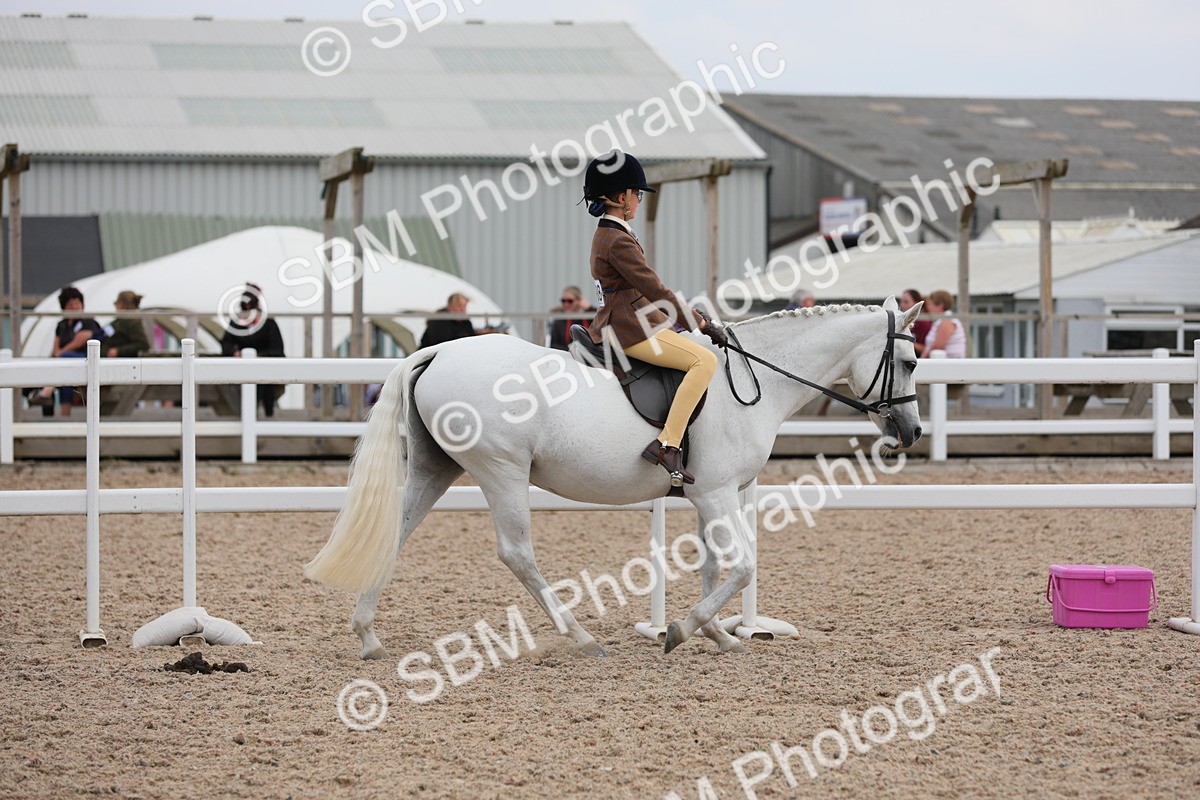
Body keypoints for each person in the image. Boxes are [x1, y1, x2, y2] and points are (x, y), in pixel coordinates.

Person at [583, 149, 725, 485]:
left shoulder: (613, 233)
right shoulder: (617, 240)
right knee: (703, 362)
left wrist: (680, 319)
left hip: (634, 320)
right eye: (637, 194)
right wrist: (700, 323)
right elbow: (656, 289)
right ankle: (668, 444)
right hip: (629, 329)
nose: (639, 200)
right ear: (621, 197)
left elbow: (647, 294)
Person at [27, 286, 106, 414]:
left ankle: (46, 393)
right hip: (68, 363)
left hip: (86, 360)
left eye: (77, 303)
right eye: (70, 304)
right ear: (64, 307)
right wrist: (59, 354)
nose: (75, 306)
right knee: (63, 371)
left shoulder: (88, 321)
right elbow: (56, 344)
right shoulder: (62, 325)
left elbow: (81, 339)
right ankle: (57, 415)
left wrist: (61, 353)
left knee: (64, 362)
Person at [220, 283, 286, 417]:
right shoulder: (236, 324)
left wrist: (258, 356)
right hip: (241, 372)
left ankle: (267, 415)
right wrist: (234, 352)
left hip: (266, 371)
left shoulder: (269, 324)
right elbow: (226, 343)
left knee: (266, 387)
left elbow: (277, 351)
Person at [103, 290, 151, 357]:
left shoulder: (132, 321)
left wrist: (118, 351)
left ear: (121, 304)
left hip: (121, 363)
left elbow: (142, 344)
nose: (115, 307)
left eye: (116, 304)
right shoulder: (122, 320)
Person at [921, 289, 967, 358]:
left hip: (949, 364)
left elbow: (938, 346)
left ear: (940, 306)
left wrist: (921, 361)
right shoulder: (943, 320)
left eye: (930, 304)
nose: (928, 308)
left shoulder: (947, 321)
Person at [547, 285, 593, 351]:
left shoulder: (588, 316)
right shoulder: (559, 320)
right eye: (563, 301)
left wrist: (590, 308)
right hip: (566, 356)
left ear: (579, 301)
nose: (566, 304)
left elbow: (602, 321)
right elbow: (553, 345)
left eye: (570, 301)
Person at [900, 288, 932, 356]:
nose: (902, 305)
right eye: (901, 301)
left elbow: (926, 348)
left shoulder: (923, 322)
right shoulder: (902, 320)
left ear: (916, 304)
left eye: (906, 302)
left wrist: (905, 340)